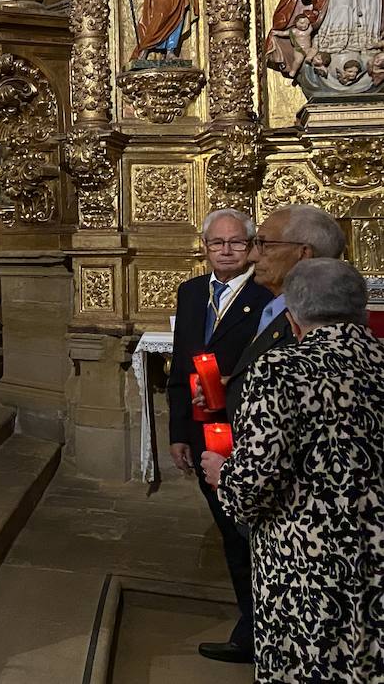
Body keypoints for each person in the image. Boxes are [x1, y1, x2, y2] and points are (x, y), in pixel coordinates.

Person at [202, 259, 384, 682]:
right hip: (375, 554)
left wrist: (223, 473)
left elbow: (253, 485)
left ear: (293, 317)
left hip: (305, 562)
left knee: (309, 662)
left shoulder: (280, 369)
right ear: (361, 308)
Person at [166, 209, 273, 664]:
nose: (226, 251)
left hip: (248, 429)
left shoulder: (267, 295)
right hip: (202, 428)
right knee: (230, 531)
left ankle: (259, 629)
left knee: (248, 532)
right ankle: (253, 623)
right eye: (217, 243)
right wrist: (178, 432)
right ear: (205, 247)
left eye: (236, 243)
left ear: (250, 247)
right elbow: (180, 363)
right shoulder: (191, 292)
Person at [219, 204, 346, 429]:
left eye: (265, 245)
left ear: (303, 253)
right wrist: (233, 386)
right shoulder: (269, 306)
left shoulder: (316, 318)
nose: (252, 256)